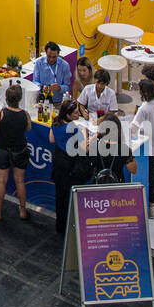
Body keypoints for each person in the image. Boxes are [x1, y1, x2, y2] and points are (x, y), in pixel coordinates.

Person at [0, 82, 30, 221]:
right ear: (20, 99)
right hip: (20, 149)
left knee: (1, 181)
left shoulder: (1, 114)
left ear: (6, 98)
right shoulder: (25, 115)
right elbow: (28, 129)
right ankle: (23, 211)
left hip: (2, 149)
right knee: (20, 181)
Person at [130, 77, 154, 216]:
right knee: (153, 174)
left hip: (144, 145)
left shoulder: (144, 108)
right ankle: (152, 205)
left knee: (147, 175)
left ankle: (147, 204)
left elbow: (133, 128)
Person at [50, 98, 87, 233]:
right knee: (69, 198)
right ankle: (70, 228)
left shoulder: (55, 123)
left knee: (60, 196)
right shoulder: (74, 129)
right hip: (69, 166)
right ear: (68, 115)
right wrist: (85, 134)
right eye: (76, 113)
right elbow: (84, 148)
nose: (78, 115)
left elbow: (51, 139)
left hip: (58, 163)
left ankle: (60, 226)